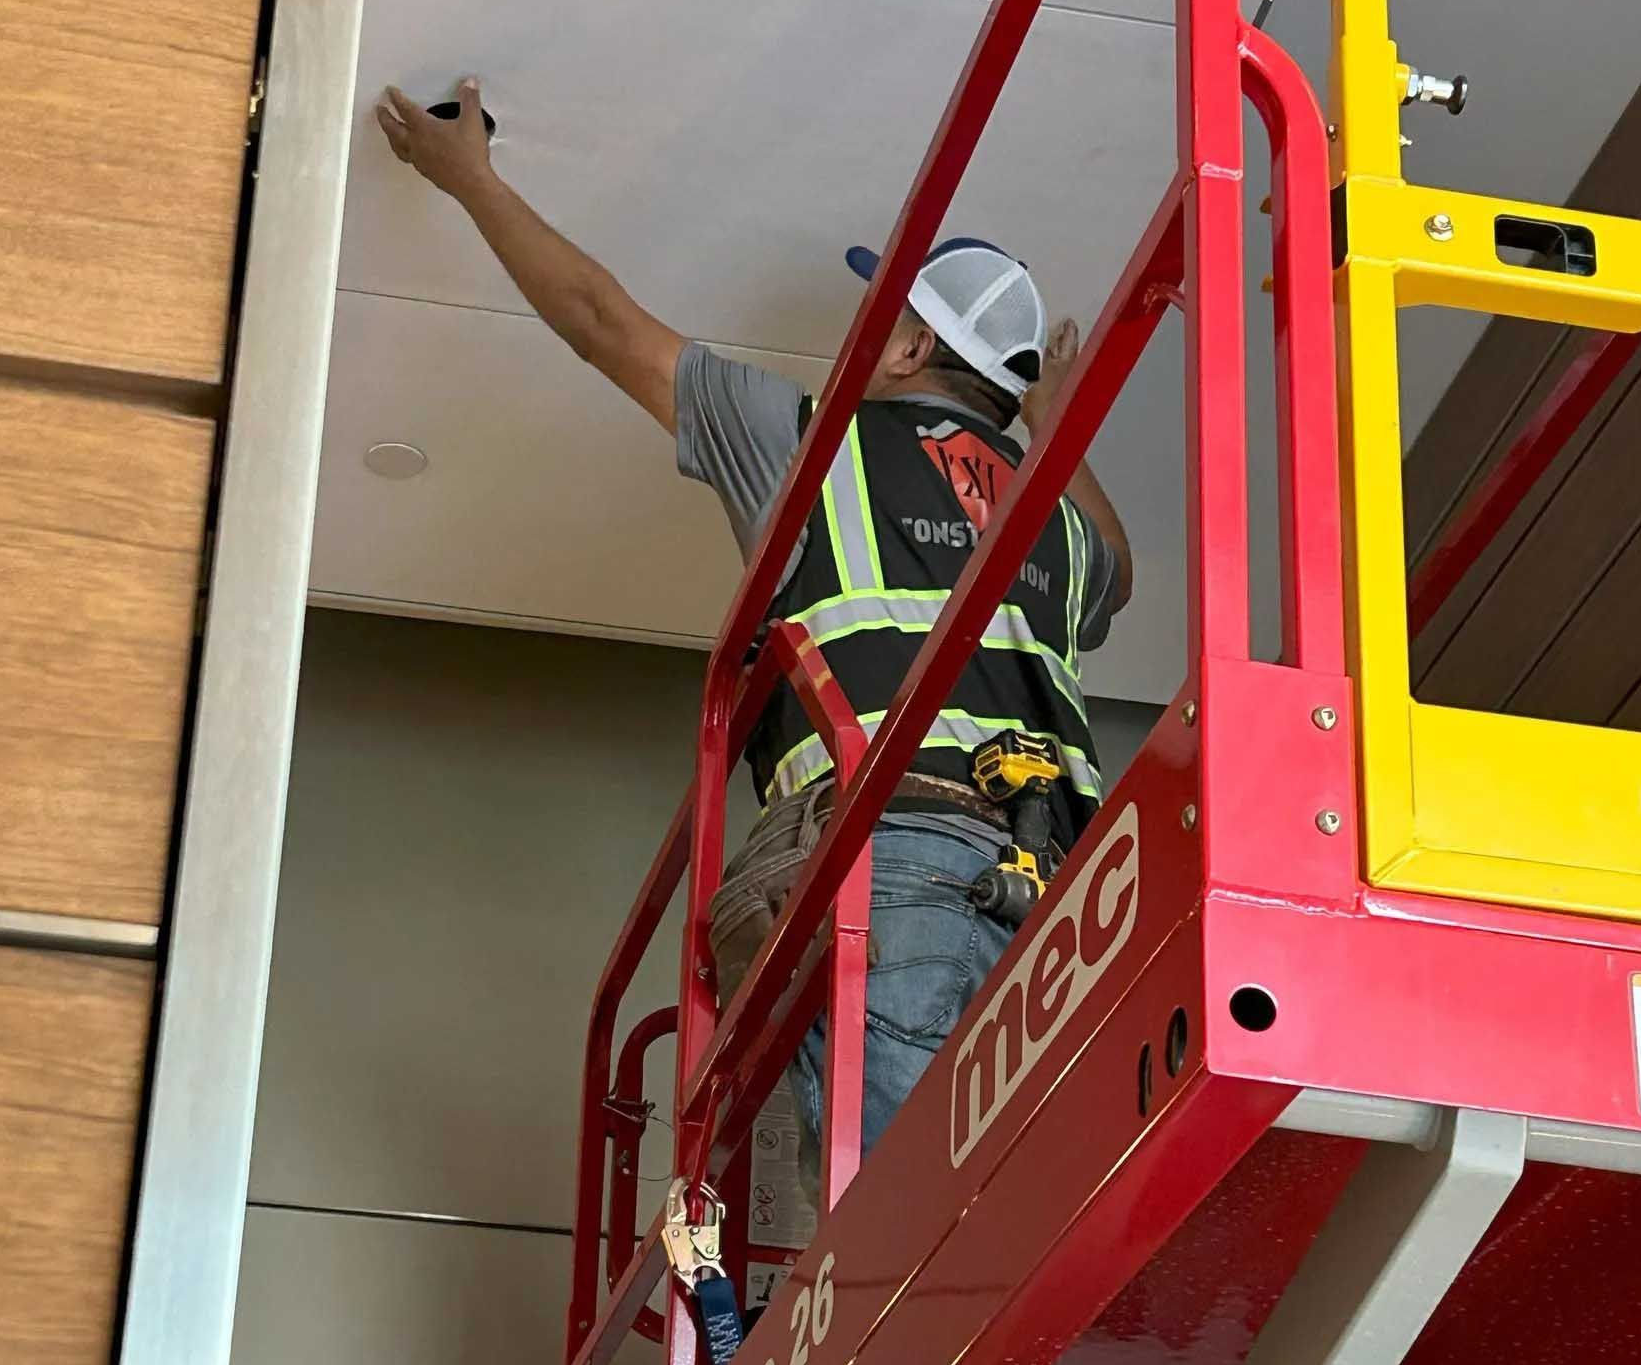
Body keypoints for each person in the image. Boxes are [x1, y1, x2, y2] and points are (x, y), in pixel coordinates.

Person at [377, 78, 1132, 1192]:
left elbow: (602, 322)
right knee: (1011, 1219)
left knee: (896, 1242)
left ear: (911, 346)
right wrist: (1056, 430)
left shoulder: (808, 446)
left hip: (897, 862)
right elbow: (1120, 567)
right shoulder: (1060, 523)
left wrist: (471, 180)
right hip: (1065, 909)